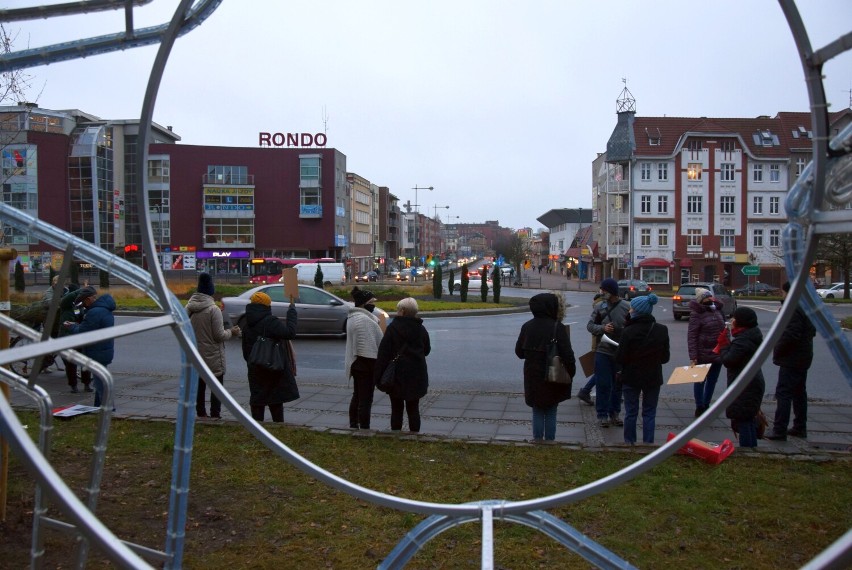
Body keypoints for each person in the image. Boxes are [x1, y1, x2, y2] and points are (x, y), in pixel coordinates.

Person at [514, 292, 576, 441]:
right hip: (553, 373)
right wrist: (569, 373)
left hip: (532, 375)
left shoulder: (527, 326)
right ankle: (549, 441)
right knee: (551, 409)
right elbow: (568, 355)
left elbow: (519, 353)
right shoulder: (557, 327)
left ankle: (537, 440)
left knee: (537, 409)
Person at [614, 294, 670, 444]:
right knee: (650, 413)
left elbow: (620, 358)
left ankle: (630, 443)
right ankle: (648, 444)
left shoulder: (628, 331)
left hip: (631, 376)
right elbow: (665, 358)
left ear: (637, 311)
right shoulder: (661, 330)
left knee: (631, 412)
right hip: (653, 377)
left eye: (632, 307)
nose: (630, 310)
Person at [766, 281, 816, 440]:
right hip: (803, 355)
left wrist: (778, 350)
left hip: (792, 358)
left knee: (784, 393)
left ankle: (780, 430)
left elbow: (790, 335)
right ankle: (800, 427)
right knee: (799, 392)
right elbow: (811, 330)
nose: (782, 295)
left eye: (783, 292)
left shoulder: (793, 308)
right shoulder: (806, 307)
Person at [187, 273, 240, 419]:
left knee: (199, 385)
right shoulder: (213, 309)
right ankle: (215, 414)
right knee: (217, 386)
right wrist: (232, 332)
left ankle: (201, 412)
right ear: (211, 289)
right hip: (212, 354)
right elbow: (219, 335)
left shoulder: (189, 307)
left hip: (195, 354)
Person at [373, 297, 430, 432]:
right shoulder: (421, 329)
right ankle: (414, 435)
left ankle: (396, 435)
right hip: (416, 374)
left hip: (397, 374)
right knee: (413, 408)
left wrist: (378, 376)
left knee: (396, 408)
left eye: (398, 309)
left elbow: (383, 353)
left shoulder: (393, 329)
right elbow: (427, 350)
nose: (397, 311)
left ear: (403, 311)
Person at [241, 291, 299, 422]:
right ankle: (278, 428)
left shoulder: (247, 323)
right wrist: (292, 312)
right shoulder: (270, 322)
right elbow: (290, 333)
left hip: (255, 369)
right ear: (267, 306)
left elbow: (245, 351)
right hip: (273, 368)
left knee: (257, 401)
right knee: (275, 400)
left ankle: (257, 427)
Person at [717, 307, 766, 448]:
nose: (732, 321)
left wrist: (724, 345)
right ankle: (751, 448)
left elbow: (728, 360)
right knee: (748, 419)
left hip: (744, 385)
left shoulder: (743, 341)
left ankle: (747, 451)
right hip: (751, 381)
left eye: (735, 319)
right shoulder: (751, 335)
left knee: (743, 419)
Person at [586, 278, 629, 428]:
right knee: (603, 384)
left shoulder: (626, 307)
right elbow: (590, 326)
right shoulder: (599, 307)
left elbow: (631, 326)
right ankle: (602, 415)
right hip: (603, 350)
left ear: (612, 292)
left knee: (617, 385)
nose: (601, 292)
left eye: (604, 290)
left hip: (619, 351)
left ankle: (615, 413)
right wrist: (602, 329)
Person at [63, 286, 115, 407]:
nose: (84, 304)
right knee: (100, 381)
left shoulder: (94, 312)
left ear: (90, 299)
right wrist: (77, 325)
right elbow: (90, 327)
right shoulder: (104, 309)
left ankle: (109, 409)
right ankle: (98, 407)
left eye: (84, 301)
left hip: (96, 351)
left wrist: (71, 327)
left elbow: (83, 332)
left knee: (101, 384)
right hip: (104, 350)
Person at [344, 287, 383, 429]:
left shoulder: (354, 316)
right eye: (372, 302)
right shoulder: (363, 320)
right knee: (365, 399)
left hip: (357, 364)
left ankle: (354, 424)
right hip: (365, 365)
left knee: (358, 395)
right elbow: (368, 348)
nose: (374, 305)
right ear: (364, 303)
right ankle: (364, 427)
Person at [687, 287, 726, 417]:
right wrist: (693, 356)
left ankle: (706, 405)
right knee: (699, 381)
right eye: (707, 297)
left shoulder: (718, 311)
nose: (711, 299)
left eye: (710, 296)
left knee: (712, 381)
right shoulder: (696, 314)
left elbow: (724, 331)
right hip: (702, 354)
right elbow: (692, 336)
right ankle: (699, 406)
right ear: (701, 300)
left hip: (717, 353)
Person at [57, 283, 92, 393]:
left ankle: (87, 384)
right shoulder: (66, 304)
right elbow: (67, 299)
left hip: (79, 336)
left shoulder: (79, 305)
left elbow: (82, 316)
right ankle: (73, 385)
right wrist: (81, 291)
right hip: (67, 337)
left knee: (85, 361)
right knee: (71, 363)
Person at [577, 293, 604, 405]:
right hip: (602, 344)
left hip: (600, 344)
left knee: (603, 370)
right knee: (603, 370)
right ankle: (585, 390)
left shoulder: (600, 306)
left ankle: (586, 390)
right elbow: (593, 328)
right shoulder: (602, 307)